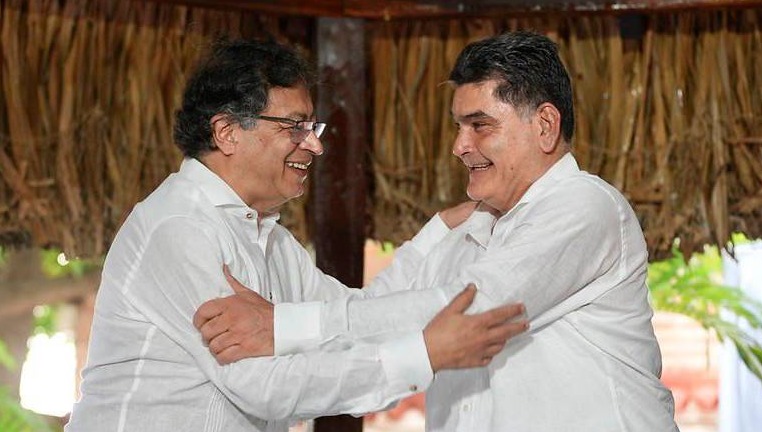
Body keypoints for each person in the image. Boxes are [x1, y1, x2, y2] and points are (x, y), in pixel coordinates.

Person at [195, 31, 679, 431]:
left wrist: (281, 326)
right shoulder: (466, 233)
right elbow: (370, 314)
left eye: (479, 125)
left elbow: (474, 308)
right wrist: (436, 232)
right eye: (458, 126)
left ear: (546, 126)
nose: (459, 146)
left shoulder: (586, 206)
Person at [64, 38, 529, 432]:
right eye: (295, 127)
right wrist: (424, 355)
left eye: (312, 126)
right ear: (226, 132)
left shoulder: (267, 237)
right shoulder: (182, 228)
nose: (315, 144)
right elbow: (263, 385)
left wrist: (440, 231)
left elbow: (354, 317)